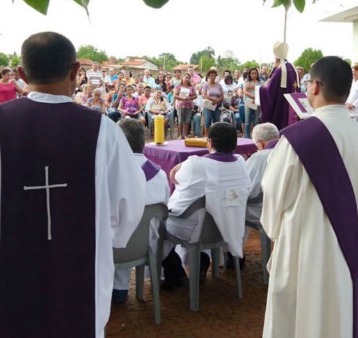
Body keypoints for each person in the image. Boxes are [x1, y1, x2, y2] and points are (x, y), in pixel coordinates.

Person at [0, 32, 145, 337]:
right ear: (76, 71)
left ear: (21, 74)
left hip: (4, 279)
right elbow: (128, 206)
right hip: (77, 279)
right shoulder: (104, 131)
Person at [261, 56, 358, 338]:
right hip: (343, 249)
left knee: (293, 321)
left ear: (315, 87)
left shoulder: (295, 138)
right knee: (334, 320)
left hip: (299, 249)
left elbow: (273, 195)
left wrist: (277, 233)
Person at [162, 123, 251, 288]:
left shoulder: (196, 164)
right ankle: (202, 259)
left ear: (209, 143)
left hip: (197, 229)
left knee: (159, 224)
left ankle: (175, 274)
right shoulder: (241, 163)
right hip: (227, 228)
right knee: (206, 210)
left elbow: (175, 178)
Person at [112, 119, 170, 304]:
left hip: (114, 250)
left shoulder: (109, 175)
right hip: (148, 246)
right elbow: (164, 210)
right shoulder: (160, 175)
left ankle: (116, 289)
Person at [259, 41, 299, 130]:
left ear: (276, 59)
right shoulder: (293, 68)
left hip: (281, 111)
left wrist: (261, 89)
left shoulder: (280, 71)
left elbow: (269, 92)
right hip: (292, 110)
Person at [245, 123, 280, 223]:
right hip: (287, 208)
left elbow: (247, 187)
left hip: (264, 210)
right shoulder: (289, 150)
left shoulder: (259, 157)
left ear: (260, 143)